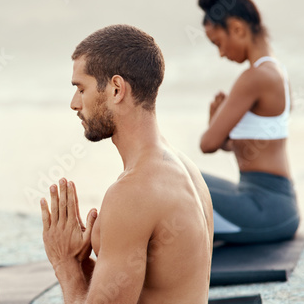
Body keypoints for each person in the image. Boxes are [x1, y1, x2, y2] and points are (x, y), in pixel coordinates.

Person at [40, 25, 214, 303]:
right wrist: (82, 262)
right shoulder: (185, 169)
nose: (74, 104)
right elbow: (143, 288)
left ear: (117, 89)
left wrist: (64, 264)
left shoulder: (133, 192)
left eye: (80, 88)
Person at [197, 0, 300, 244]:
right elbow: (252, 145)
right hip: (273, 203)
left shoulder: (254, 77)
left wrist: (215, 128)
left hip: (266, 209)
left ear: (238, 29)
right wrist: (218, 128)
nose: (221, 53)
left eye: (219, 43)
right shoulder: (276, 71)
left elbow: (207, 144)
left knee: (174, 179)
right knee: (182, 174)